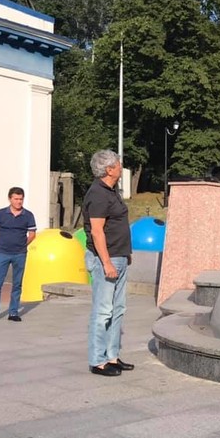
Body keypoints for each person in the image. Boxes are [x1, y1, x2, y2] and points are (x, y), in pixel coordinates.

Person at [83, 149, 134, 377]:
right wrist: (107, 263)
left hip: (118, 256)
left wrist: (124, 254)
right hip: (106, 259)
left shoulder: (111, 191)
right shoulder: (98, 194)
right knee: (103, 311)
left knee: (118, 309)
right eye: (118, 163)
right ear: (109, 169)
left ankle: (112, 356)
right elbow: (97, 231)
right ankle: (98, 361)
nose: (121, 166)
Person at [0, 187, 36, 323]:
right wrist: (0, 244)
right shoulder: (0, 214)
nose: (19, 202)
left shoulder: (28, 215)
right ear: (10, 199)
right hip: (2, 253)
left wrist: (22, 245)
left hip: (20, 254)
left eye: (21, 199)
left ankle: (13, 312)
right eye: (16, 199)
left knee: (17, 284)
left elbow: (32, 234)